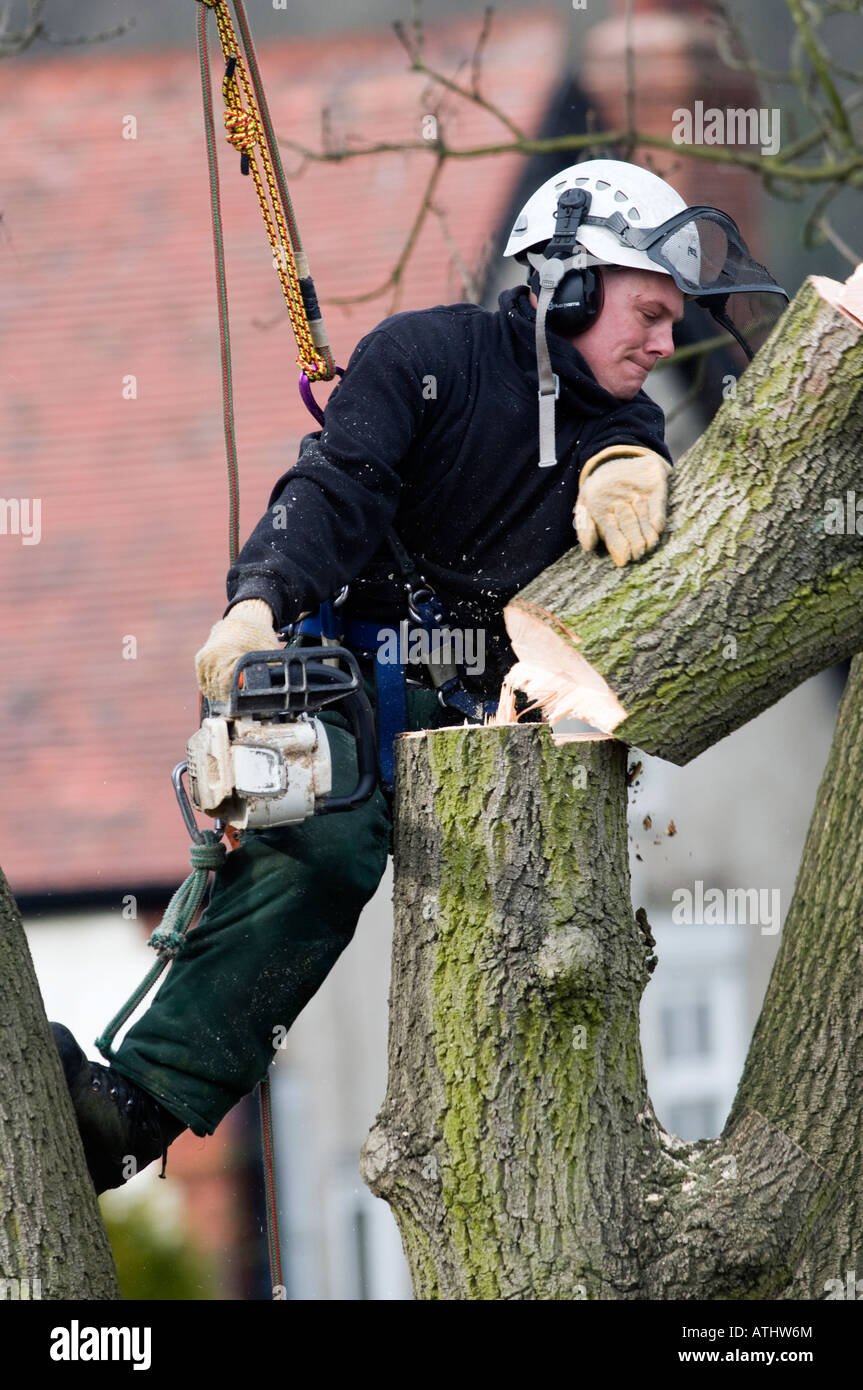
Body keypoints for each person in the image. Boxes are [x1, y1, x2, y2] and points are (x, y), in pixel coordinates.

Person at [50, 159, 786, 1193]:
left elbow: (620, 454)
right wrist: (257, 598)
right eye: (648, 313)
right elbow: (336, 487)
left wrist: (626, 464)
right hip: (353, 689)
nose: (664, 344)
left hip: (493, 749)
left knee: (537, 960)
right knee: (327, 847)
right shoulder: (422, 357)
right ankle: (131, 1111)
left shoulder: (622, 423)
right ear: (567, 282)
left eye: (673, 324)